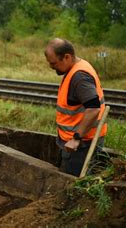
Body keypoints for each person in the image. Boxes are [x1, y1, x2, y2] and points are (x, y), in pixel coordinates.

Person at [44, 38, 107, 177]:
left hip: (81, 144)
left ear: (67, 57)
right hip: (77, 141)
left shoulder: (80, 77)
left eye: (53, 63)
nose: (51, 67)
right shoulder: (77, 67)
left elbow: (93, 108)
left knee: (72, 184)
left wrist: (76, 138)